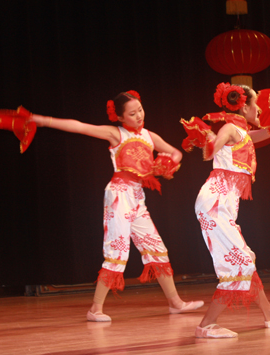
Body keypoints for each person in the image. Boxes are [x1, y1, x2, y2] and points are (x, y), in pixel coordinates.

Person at [28, 90, 203, 321]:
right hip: (119, 195)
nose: (139, 115)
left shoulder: (150, 136)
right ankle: (95, 309)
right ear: (120, 117)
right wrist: (42, 120)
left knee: (156, 248)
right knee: (117, 251)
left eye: (140, 110)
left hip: (137, 198)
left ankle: (176, 303)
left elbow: (175, 152)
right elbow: (79, 126)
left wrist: (167, 163)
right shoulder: (116, 134)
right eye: (132, 113)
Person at [181, 83, 270, 338]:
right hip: (215, 203)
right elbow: (211, 152)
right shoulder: (230, 128)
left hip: (222, 205)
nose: (260, 111)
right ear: (244, 105)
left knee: (244, 259)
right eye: (256, 106)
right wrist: (207, 141)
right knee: (238, 264)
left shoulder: (242, 133)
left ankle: (269, 313)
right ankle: (206, 325)